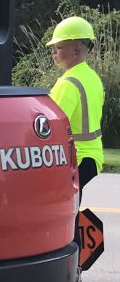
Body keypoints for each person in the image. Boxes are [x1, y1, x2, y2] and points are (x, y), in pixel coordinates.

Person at [47, 15, 104, 201]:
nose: (54, 52)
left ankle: (74, 232)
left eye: (59, 47)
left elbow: (51, 125)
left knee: (63, 208)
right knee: (72, 204)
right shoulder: (92, 77)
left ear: (76, 50)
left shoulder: (69, 83)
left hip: (76, 158)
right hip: (92, 157)